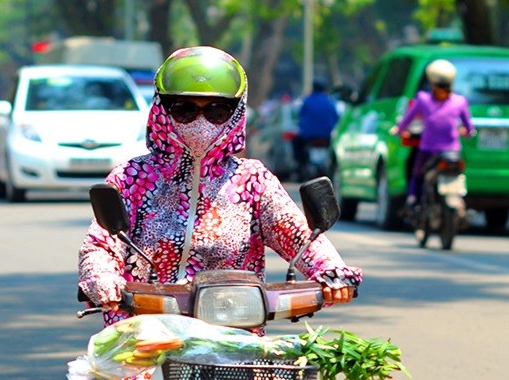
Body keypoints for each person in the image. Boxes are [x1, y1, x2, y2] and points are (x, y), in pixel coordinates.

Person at [78, 46, 362, 330]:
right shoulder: (132, 177)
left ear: (237, 113)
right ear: (162, 110)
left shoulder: (253, 181)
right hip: (141, 337)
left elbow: (299, 237)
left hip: (233, 336)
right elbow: (101, 244)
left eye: (217, 111)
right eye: (184, 109)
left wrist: (331, 271)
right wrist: (101, 276)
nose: (200, 123)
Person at [390, 59, 475, 206]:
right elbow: (469, 128)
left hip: (428, 149)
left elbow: (407, 119)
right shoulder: (460, 101)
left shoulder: (423, 99)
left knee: (416, 175)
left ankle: (412, 198)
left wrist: (398, 130)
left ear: (432, 82)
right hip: (452, 151)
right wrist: (467, 132)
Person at [292, 80, 340, 176]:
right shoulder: (330, 102)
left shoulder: (306, 101)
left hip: (308, 137)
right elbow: (336, 118)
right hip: (326, 137)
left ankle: (300, 166)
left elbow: (300, 117)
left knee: (296, 142)